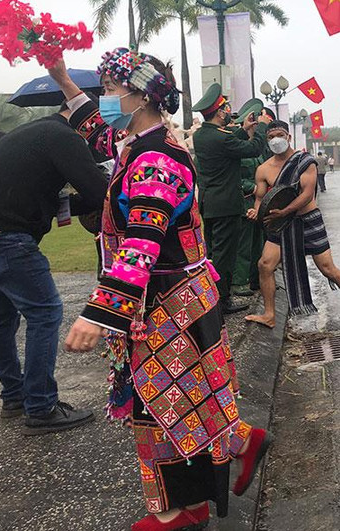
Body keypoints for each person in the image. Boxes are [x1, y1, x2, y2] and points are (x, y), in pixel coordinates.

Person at [52, 49, 271, 531]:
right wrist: (64, 80)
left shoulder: (156, 162)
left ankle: (172, 510)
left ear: (140, 96)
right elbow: (95, 126)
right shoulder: (141, 142)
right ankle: (219, 466)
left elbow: (141, 245)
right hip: (170, 299)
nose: (104, 100)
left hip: (169, 303)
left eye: (110, 90)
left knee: (158, 405)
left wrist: (98, 313)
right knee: (184, 400)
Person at [0, 100, 106, 435]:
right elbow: (99, 190)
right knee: (45, 312)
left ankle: (15, 396)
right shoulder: (65, 137)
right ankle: (41, 405)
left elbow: (52, 197)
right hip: (6, 237)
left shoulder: (32, 132)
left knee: (0, 316)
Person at [245, 121, 340, 329]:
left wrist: (285, 211)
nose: (275, 140)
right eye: (271, 137)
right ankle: (269, 314)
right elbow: (260, 198)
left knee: (327, 268)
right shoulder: (263, 169)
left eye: (279, 135)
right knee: (265, 265)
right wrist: (256, 211)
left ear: (288, 137)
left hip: (307, 219)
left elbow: (306, 194)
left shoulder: (305, 161)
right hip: (280, 223)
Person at [192, 83, 271, 315]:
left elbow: (225, 143)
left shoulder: (201, 135)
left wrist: (243, 128)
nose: (229, 111)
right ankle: (221, 300)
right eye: (226, 108)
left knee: (213, 253)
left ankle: (212, 296)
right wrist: (261, 128)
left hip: (210, 204)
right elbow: (253, 149)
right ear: (219, 112)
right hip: (227, 205)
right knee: (224, 257)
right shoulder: (220, 138)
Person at [233, 99, 268, 296]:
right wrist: (253, 188)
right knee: (243, 246)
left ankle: (256, 280)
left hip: (259, 203)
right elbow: (234, 177)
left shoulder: (255, 148)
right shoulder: (237, 146)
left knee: (258, 244)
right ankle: (240, 282)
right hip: (244, 201)